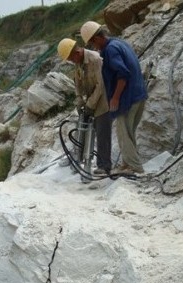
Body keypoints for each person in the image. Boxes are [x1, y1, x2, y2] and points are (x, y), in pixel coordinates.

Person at [80, 21, 147, 174]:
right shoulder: (119, 43)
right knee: (128, 133)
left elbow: (123, 74)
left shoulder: (110, 50)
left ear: (97, 38)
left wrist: (115, 97)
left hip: (128, 98)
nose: (93, 47)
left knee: (123, 132)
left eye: (92, 43)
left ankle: (134, 167)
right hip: (139, 95)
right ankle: (127, 163)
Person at [57, 38, 112, 175]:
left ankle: (104, 166)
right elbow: (78, 83)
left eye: (70, 58)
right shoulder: (79, 63)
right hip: (90, 99)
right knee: (84, 128)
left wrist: (90, 105)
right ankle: (78, 159)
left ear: (76, 52)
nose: (71, 61)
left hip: (103, 100)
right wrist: (79, 99)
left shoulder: (94, 59)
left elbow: (100, 86)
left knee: (102, 132)